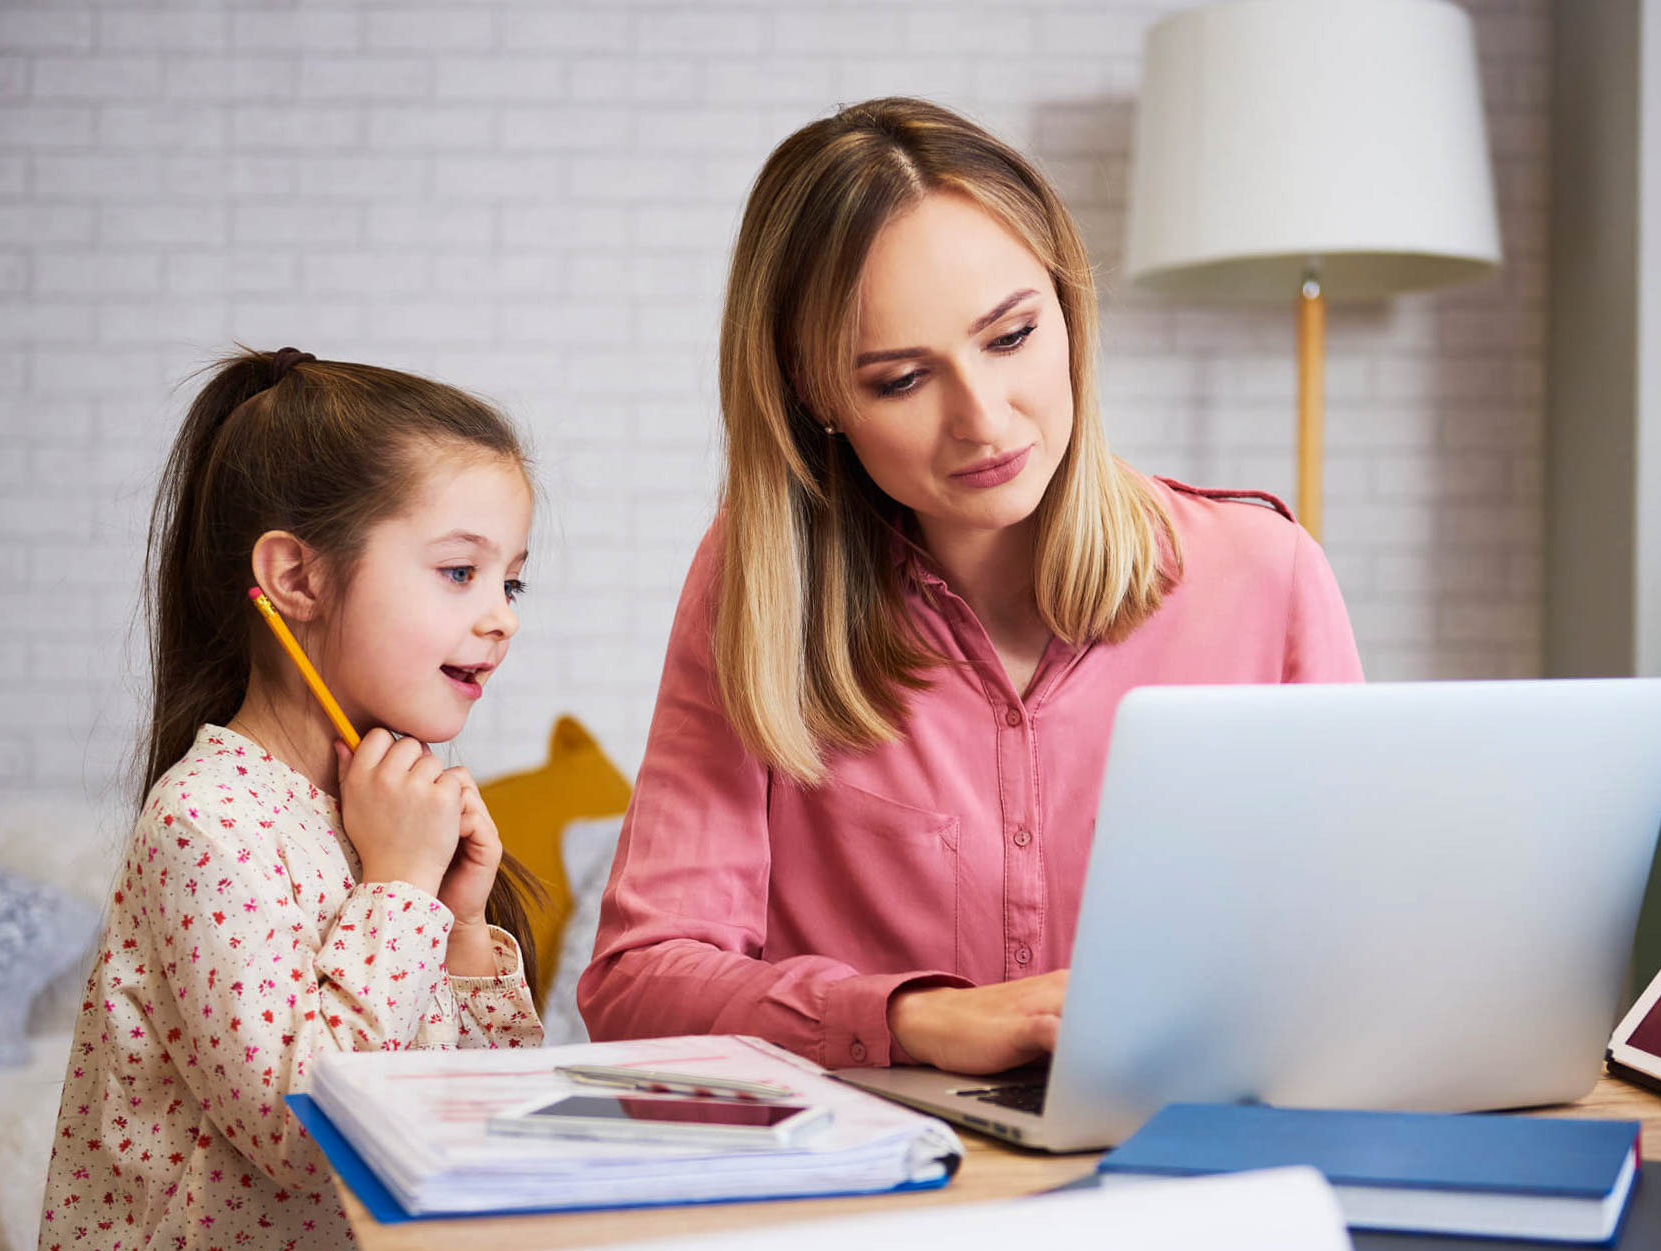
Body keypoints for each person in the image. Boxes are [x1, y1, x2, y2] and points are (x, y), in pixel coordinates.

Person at [579, 97, 1361, 1079]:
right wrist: (908, 1021)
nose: (984, 420)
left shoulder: (1264, 575)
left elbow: (1352, 953)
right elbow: (637, 983)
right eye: (900, 380)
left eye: (1010, 337)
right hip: (878, 1199)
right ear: (814, 399)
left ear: (1067, 309)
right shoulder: (757, 585)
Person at [36, 348, 544, 1251]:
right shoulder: (207, 822)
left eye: (509, 583)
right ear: (297, 579)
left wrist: (463, 921)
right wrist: (397, 888)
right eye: (459, 571)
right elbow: (304, 1137)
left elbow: (485, 1126)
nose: (499, 616)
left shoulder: (385, 810)